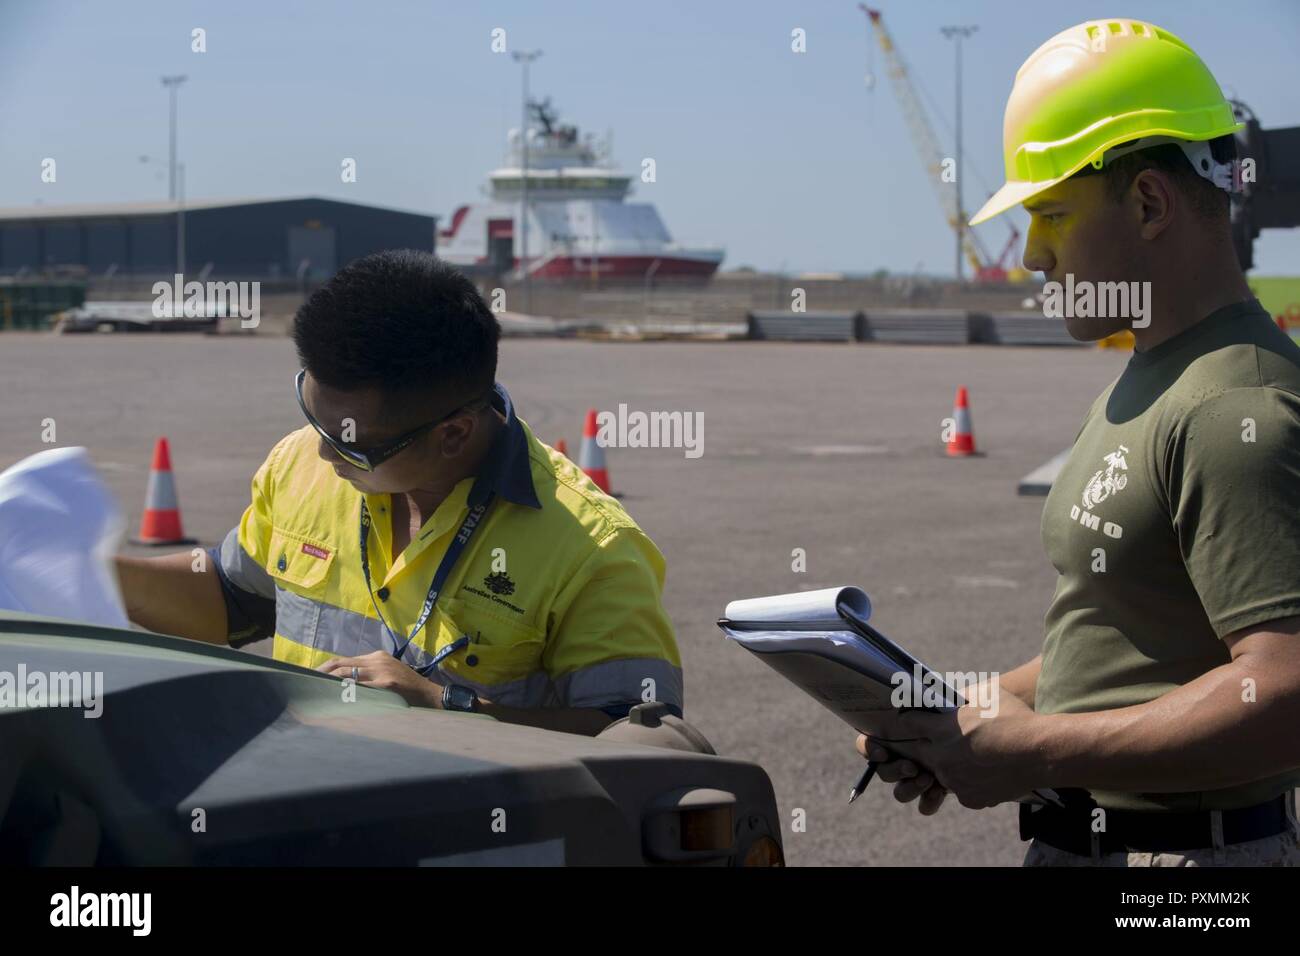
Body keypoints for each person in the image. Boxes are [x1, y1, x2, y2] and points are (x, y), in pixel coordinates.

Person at [855, 18, 1300, 866]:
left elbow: (1285, 691)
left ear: (1148, 203)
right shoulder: (1151, 379)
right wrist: (952, 716)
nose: (1030, 254)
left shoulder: (1234, 406)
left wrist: (1037, 748)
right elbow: (1119, 642)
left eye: (1051, 214)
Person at [115, 250, 683, 736]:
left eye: (350, 445)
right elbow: (229, 597)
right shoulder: (298, 466)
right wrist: (96, 573)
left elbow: (635, 735)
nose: (321, 455)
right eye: (312, 419)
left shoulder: (594, 551)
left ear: (453, 433)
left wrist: (448, 705)